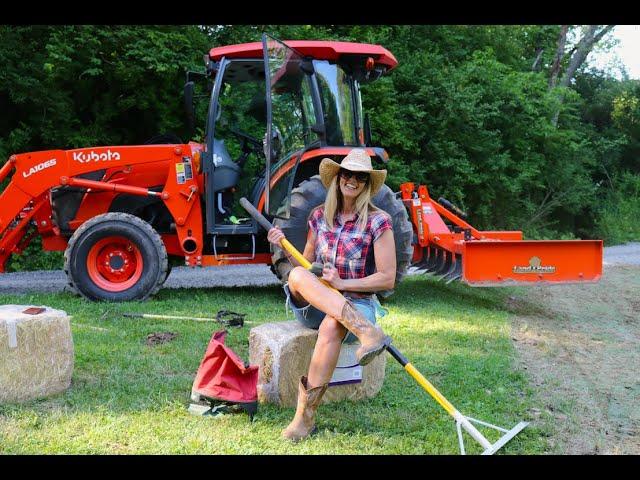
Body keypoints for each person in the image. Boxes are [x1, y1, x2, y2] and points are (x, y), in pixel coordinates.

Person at [266, 148, 396, 442]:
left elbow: (387, 278)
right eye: (346, 174)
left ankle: (304, 416)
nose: (352, 180)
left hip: (356, 304)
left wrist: (345, 281)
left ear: (366, 183)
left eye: (359, 177)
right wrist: (283, 245)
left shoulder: (379, 221)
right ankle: (368, 334)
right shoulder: (318, 217)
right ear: (338, 178)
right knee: (297, 275)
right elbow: (306, 264)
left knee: (333, 324)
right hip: (316, 303)